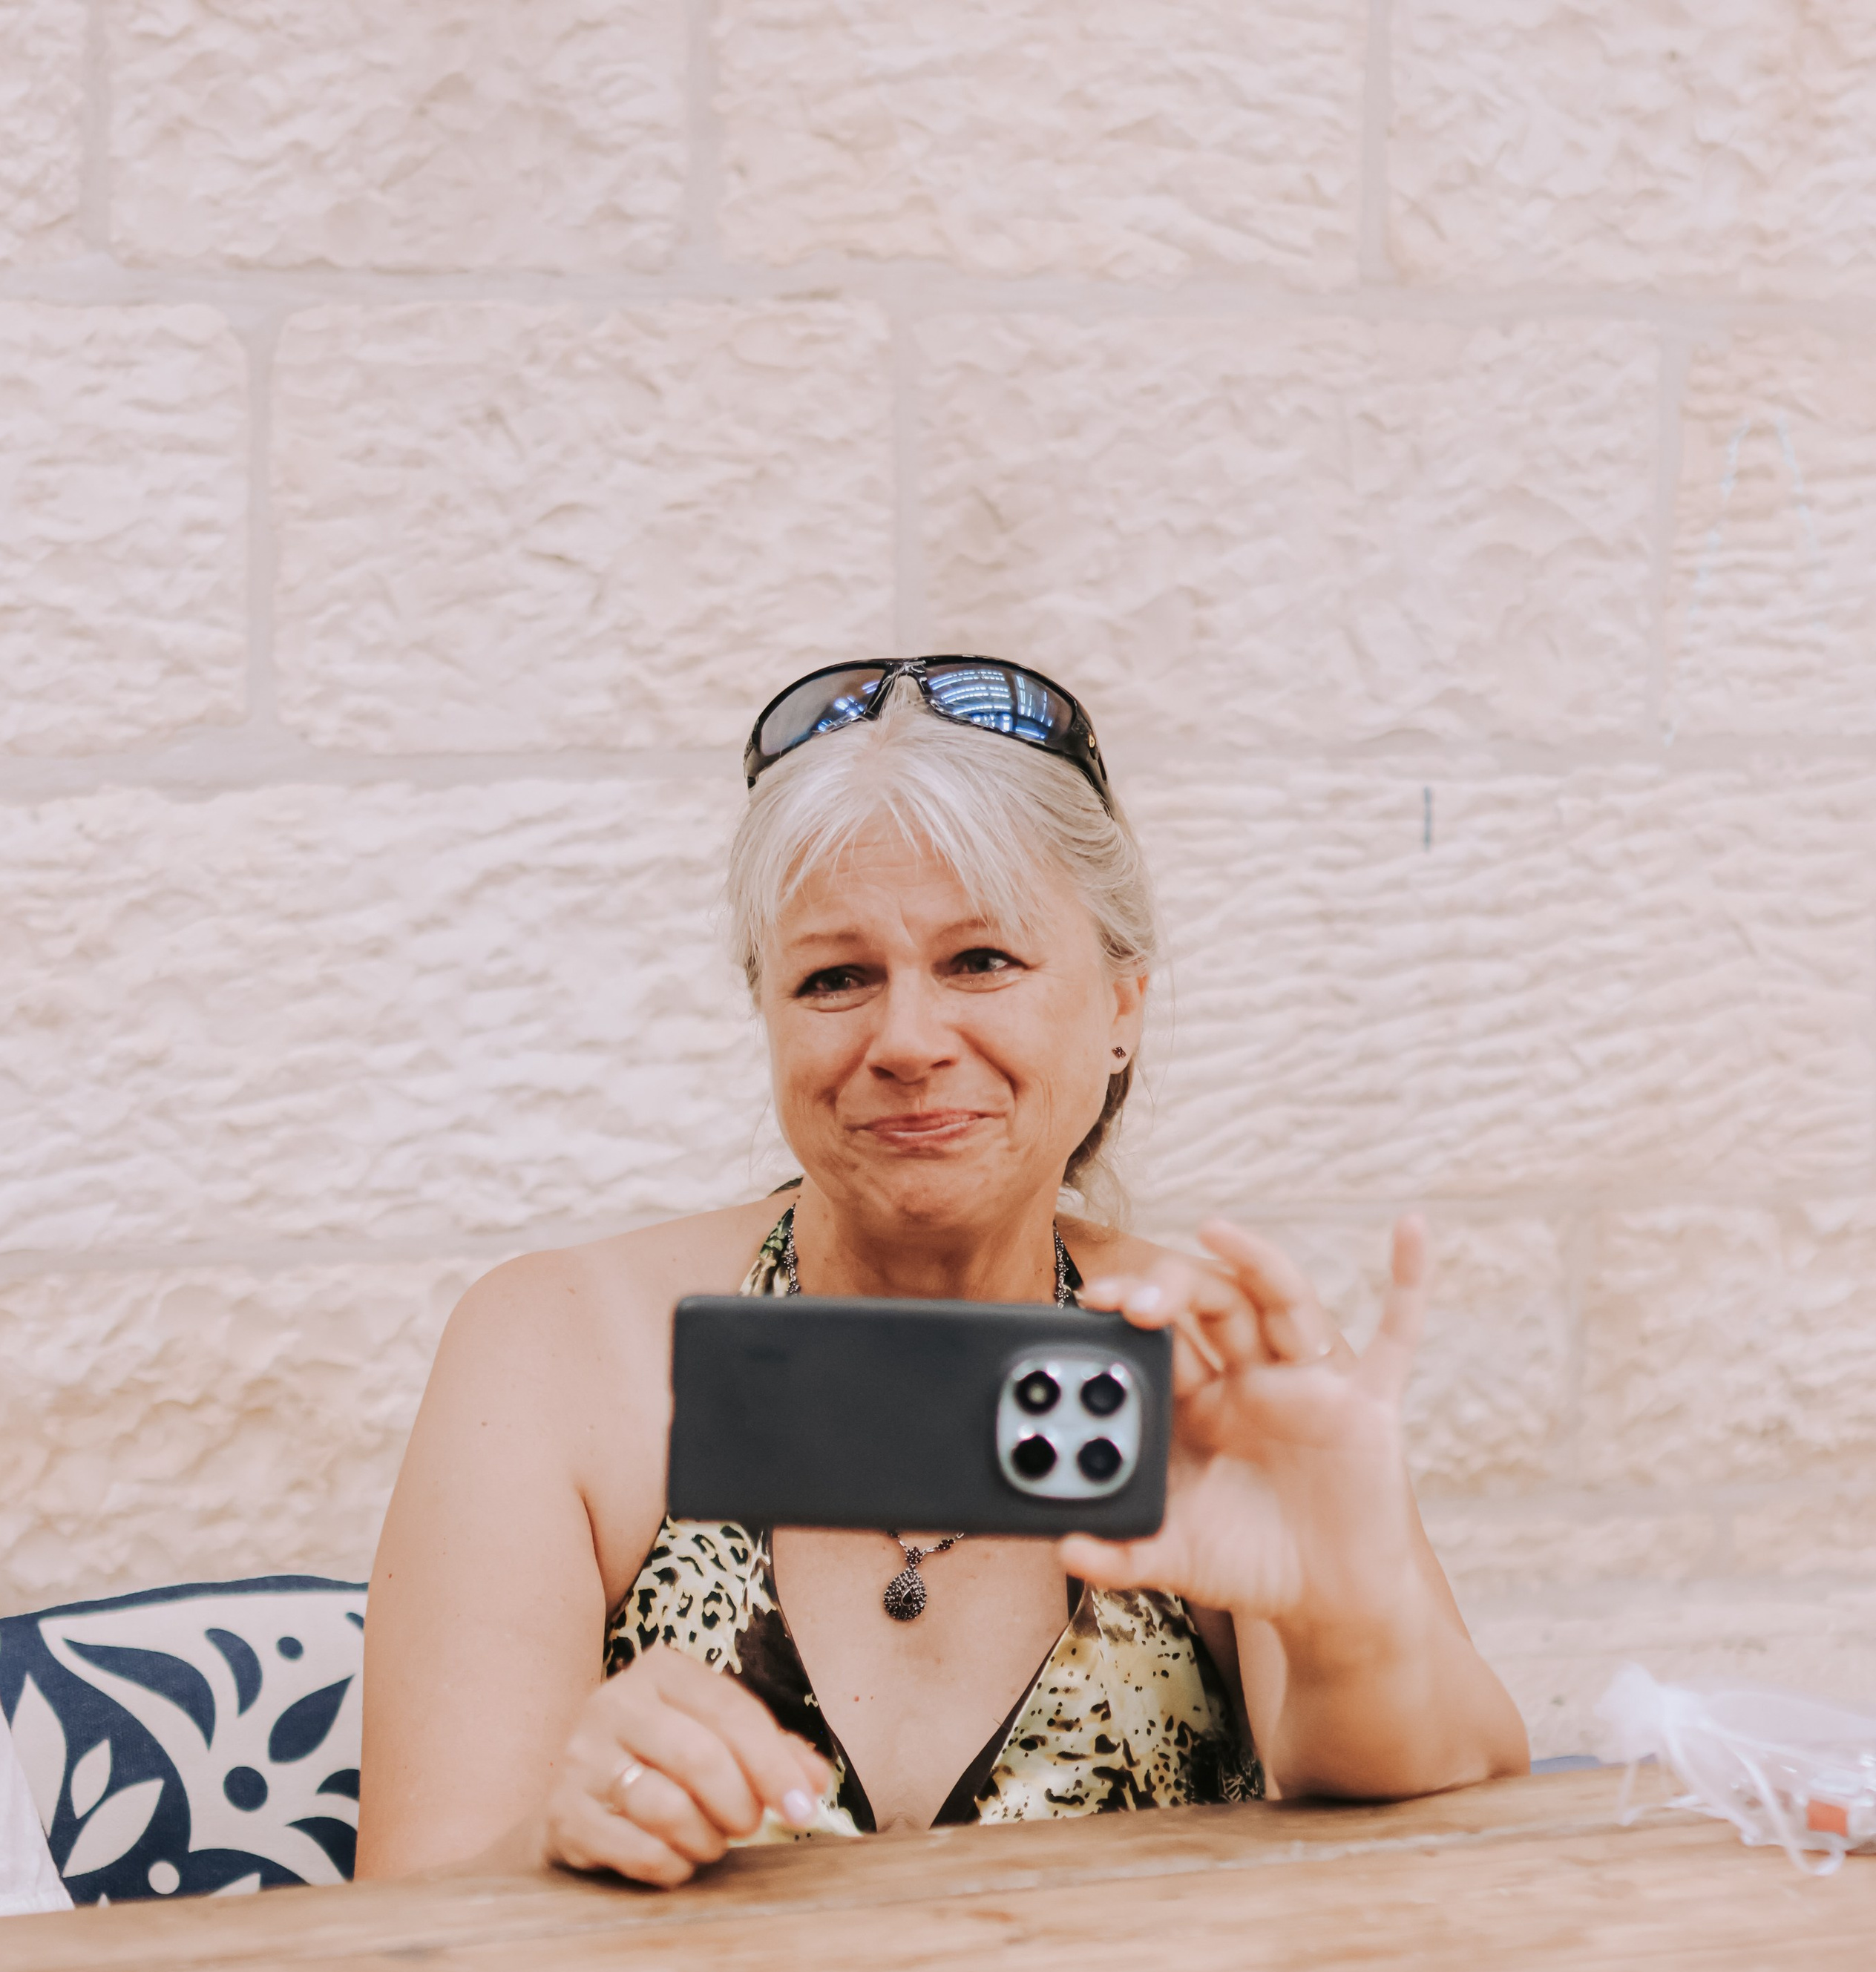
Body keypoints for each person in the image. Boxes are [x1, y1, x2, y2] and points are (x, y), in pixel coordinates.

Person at [357, 657, 1526, 1887]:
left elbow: (1453, 1854)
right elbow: (411, 1924)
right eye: (836, 977)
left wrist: (1348, 1624)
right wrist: (553, 1838)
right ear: (770, 1017)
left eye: (981, 961)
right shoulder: (556, 1351)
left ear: (1123, 1005)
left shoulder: (1218, 1371)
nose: (908, 1040)